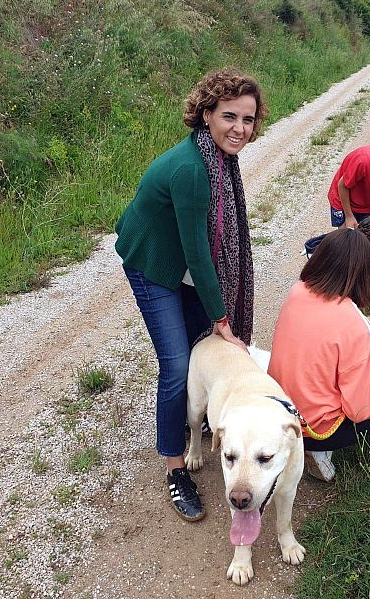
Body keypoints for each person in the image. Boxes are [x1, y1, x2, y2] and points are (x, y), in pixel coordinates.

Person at [114, 68, 267, 521]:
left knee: (205, 347)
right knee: (179, 364)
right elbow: (199, 256)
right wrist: (224, 320)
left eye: (248, 119)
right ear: (206, 115)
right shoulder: (191, 170)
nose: (240, 128)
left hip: (182, 261)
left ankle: (195, 418)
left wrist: (216, 319)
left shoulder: (221, 160)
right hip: (154, 262)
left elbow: (205, 248)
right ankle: (176, 467)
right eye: (229, 116)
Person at [268, 228, 370, 482]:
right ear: (364, 273)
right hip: (315, 429)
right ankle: (319, 451)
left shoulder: (297, 291)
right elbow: (360, 411)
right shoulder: (355, 325)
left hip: (276, 411)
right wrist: (367, 340)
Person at [303, 215, 370, 324]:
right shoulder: (338, 262)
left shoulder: (352, 251)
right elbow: (332, 309)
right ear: (364, 242)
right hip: (318, 319)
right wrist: (360, 322)